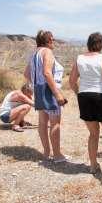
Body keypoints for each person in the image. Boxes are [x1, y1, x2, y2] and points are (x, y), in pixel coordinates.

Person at [69, 32, 102, 181]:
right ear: (101, 44)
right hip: (101, 96)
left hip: (85, 97)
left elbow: (72, 81)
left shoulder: (79, 59)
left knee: (93, 134)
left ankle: (93, 166)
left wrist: (78, 93)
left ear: (88, 43)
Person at [24, 30, 68, 163]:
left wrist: (38, 83)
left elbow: (26, 74)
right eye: (52, 39)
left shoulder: (34, 54)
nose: (53, 42)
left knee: (43, 123)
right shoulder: (47, 52)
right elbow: (47, 73)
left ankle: (46, 153)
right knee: (55, 123)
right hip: (49, 90)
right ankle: (57, 155)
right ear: (48, 41)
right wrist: (57, 94)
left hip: (39, 89)